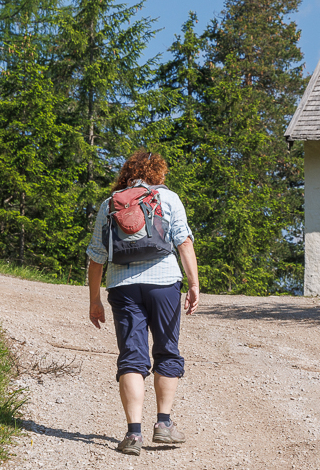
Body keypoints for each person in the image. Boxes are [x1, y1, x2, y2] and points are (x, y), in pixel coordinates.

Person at [87, 151, 200, 456]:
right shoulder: (168, 199)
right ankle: (163, 425)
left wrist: (94, 299)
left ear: (127, 174)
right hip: (164, 284)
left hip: (123, 287)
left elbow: (96, 256)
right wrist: (193, 284)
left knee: (131, 357)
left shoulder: (109, 203)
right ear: (159, 174)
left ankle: (133, 434)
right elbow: (183, 242)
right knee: (166, 349)